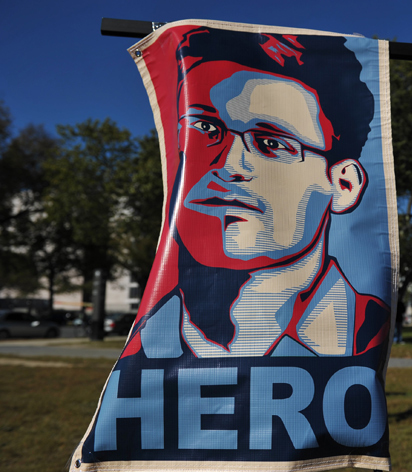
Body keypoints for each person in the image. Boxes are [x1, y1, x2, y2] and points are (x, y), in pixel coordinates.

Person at [119, 27, 389, 359]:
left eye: (273, 143)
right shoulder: (140, 349)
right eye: (204, 128)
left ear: (343, 185)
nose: (231, 164)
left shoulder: (367, 338)